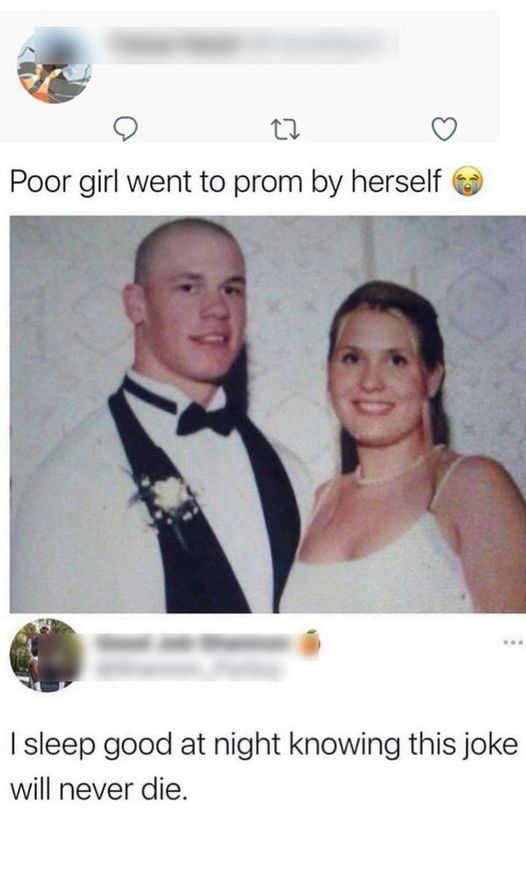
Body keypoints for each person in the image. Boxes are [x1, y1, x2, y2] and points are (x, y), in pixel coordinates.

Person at [12, 219, 309, 613]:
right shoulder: (70, 482)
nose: (217, 309)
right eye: (188, 287)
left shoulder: (289, 471)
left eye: (231, 289)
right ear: (136, 304)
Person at [281, 281, 526, 613]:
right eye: (352, 358)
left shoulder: (471, 485)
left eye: (396, 360)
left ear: (433, 377)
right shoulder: (315, 503)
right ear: (329, 372)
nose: (370, 382)